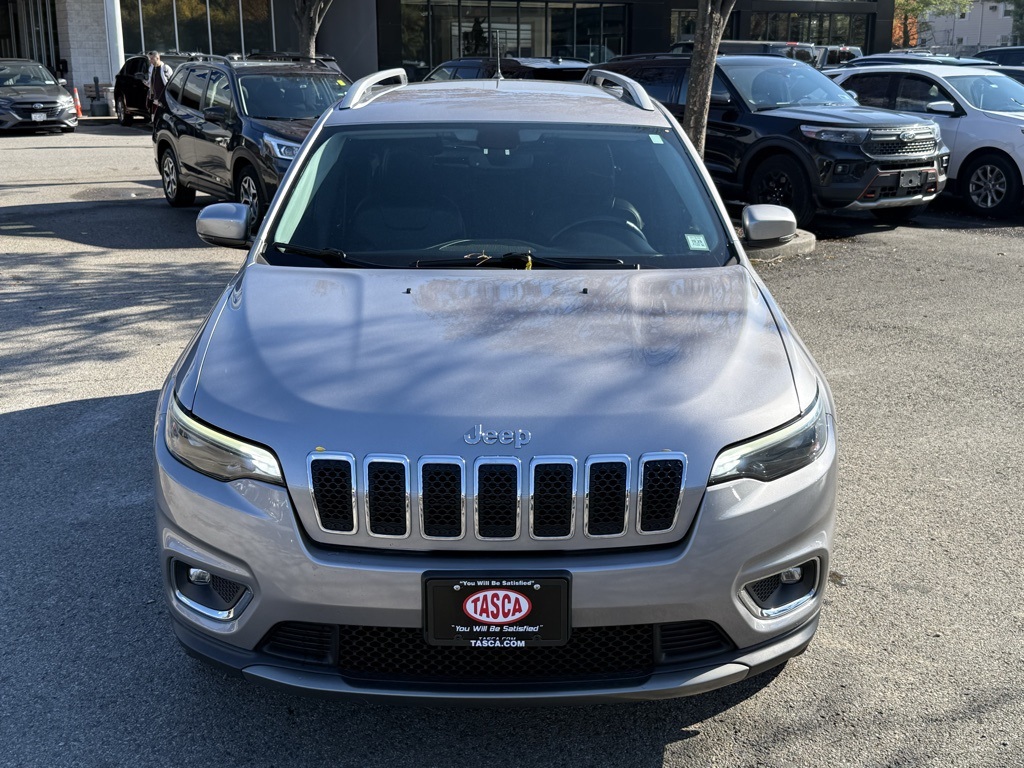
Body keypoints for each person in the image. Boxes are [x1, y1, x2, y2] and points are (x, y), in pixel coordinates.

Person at [147, 51, 173, 118]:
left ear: (158, 58)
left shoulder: (165, 68)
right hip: (155, 98)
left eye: (152, 58)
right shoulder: (151, 69)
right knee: (155, 117)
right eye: (149, 58)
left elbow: (172, 83)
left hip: (164, 98)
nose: (150, 60)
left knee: (163, 116)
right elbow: (151, 82)